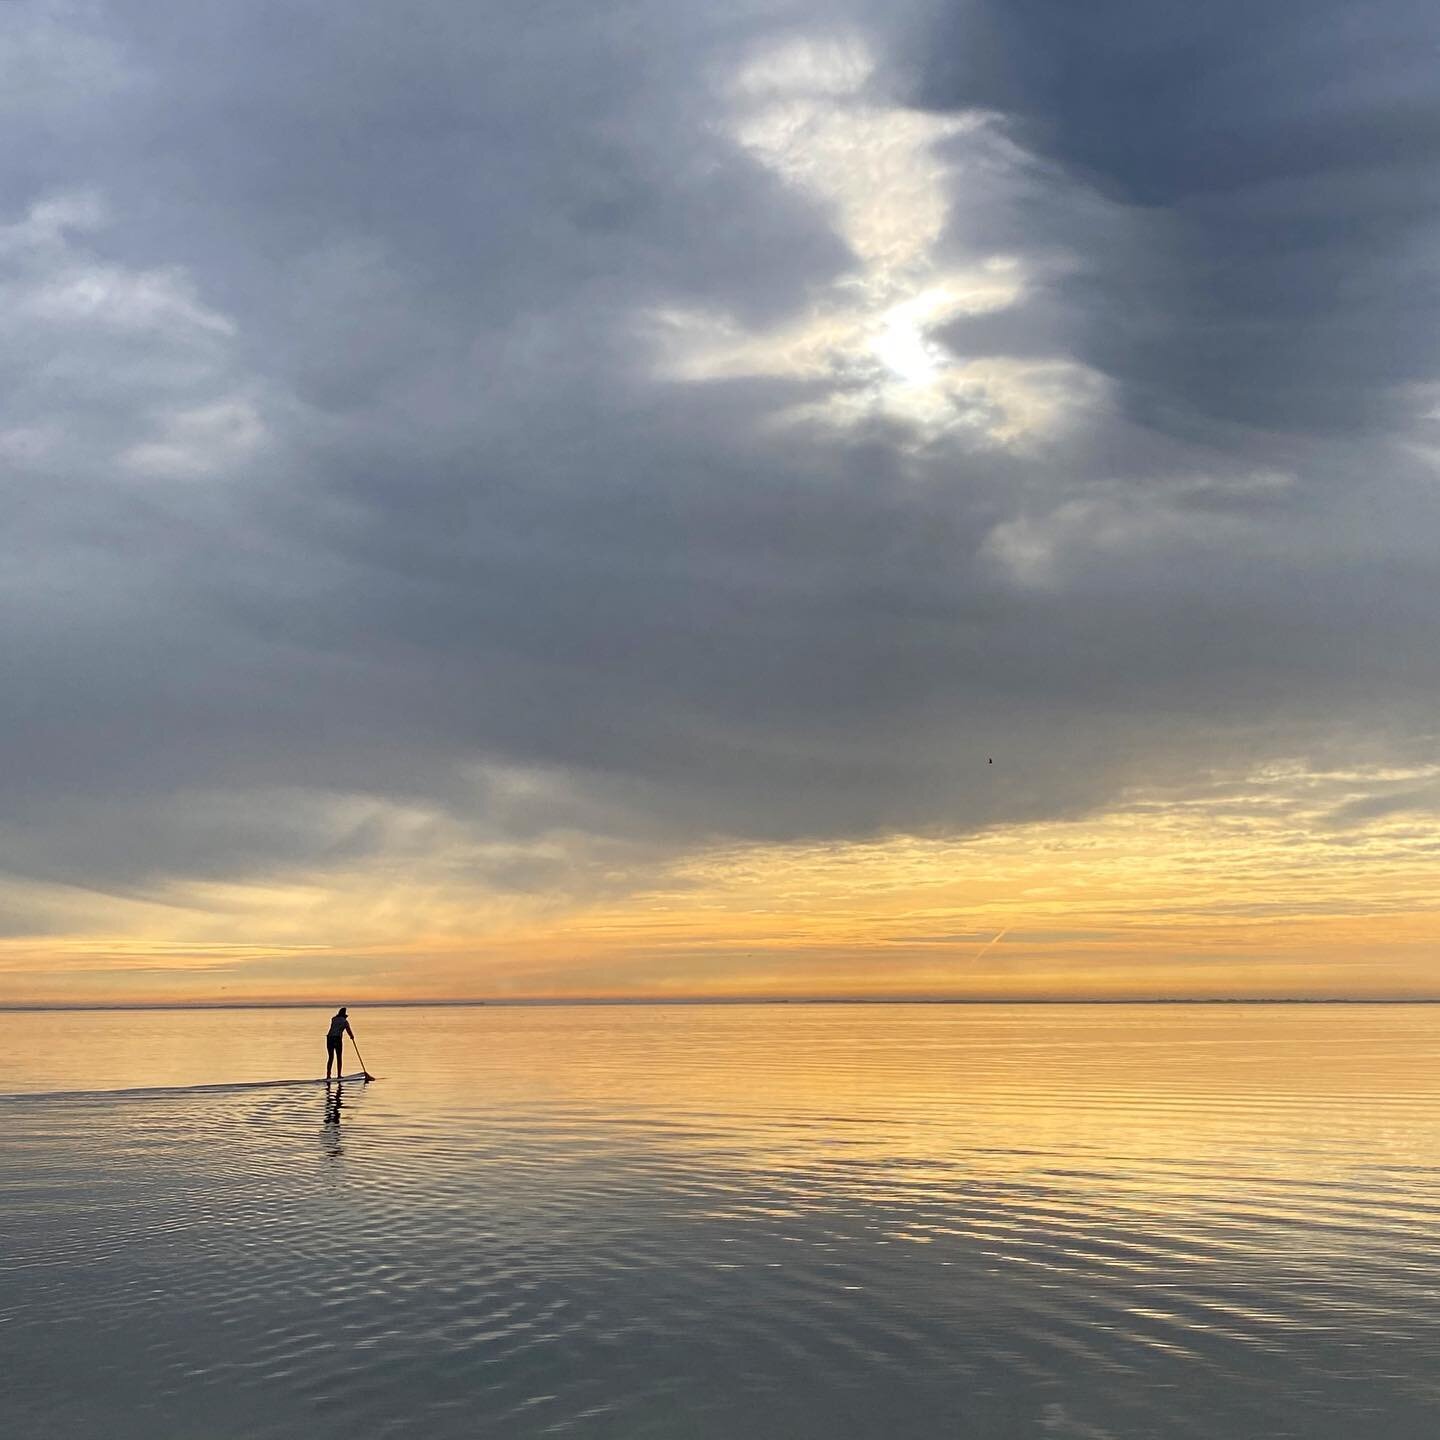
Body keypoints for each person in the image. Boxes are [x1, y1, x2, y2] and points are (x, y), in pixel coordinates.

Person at [326, 1006, 355, 1081]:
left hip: (329, 1038)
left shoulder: (333, 1019)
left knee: (330, 1057)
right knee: (339, 1057)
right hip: (337, 1039)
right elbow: (348, 1030)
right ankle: (339, 1075)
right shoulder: (345, 1021)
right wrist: (352, 1036)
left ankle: (328, 1076)